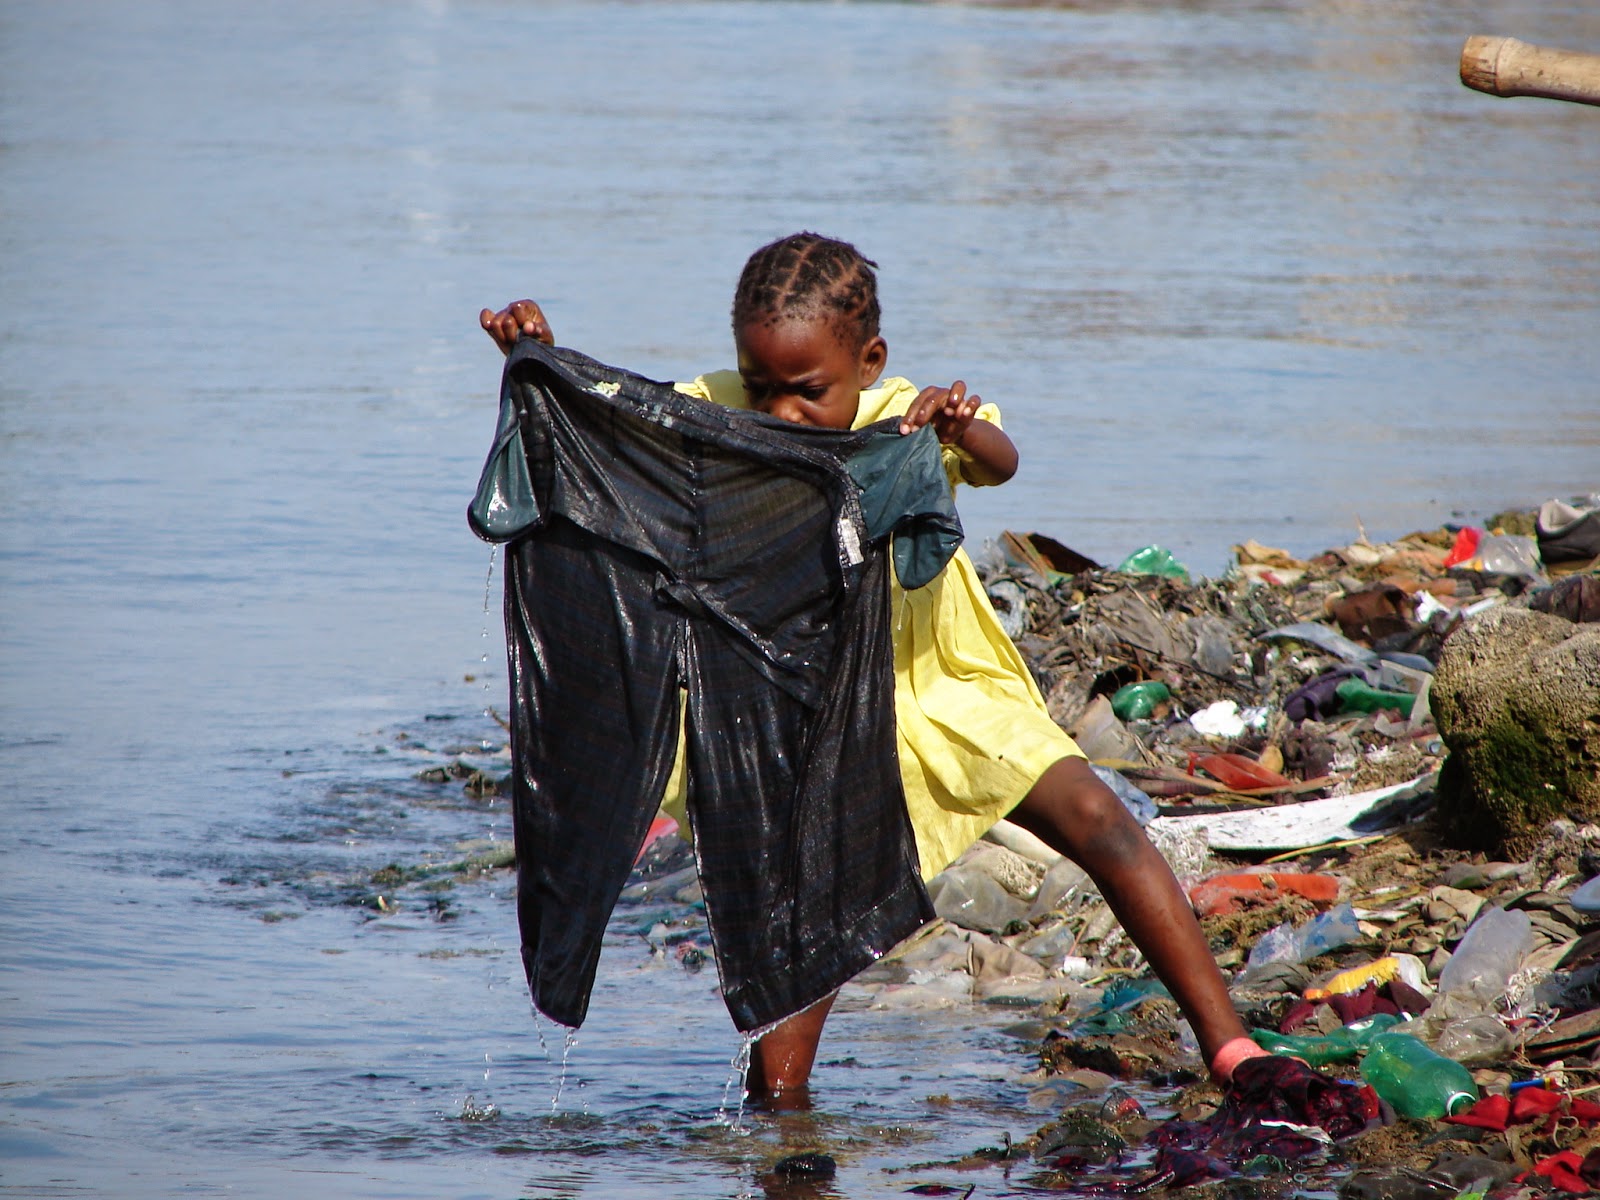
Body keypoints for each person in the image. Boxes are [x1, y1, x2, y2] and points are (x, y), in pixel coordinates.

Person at [479, 232, 1266, 1101]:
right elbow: (617, 432)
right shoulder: (717, 409)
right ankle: (781, 1121)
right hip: (809, 712)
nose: (779, 412)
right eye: (761, 383)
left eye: (808, 390)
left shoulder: (904, 416)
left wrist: (960, 429)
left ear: (869, 362)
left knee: (1101, 823)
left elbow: (1001, 463)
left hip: (938, 686)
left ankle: (1234, 1051)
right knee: (807, 928)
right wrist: (539, 359)